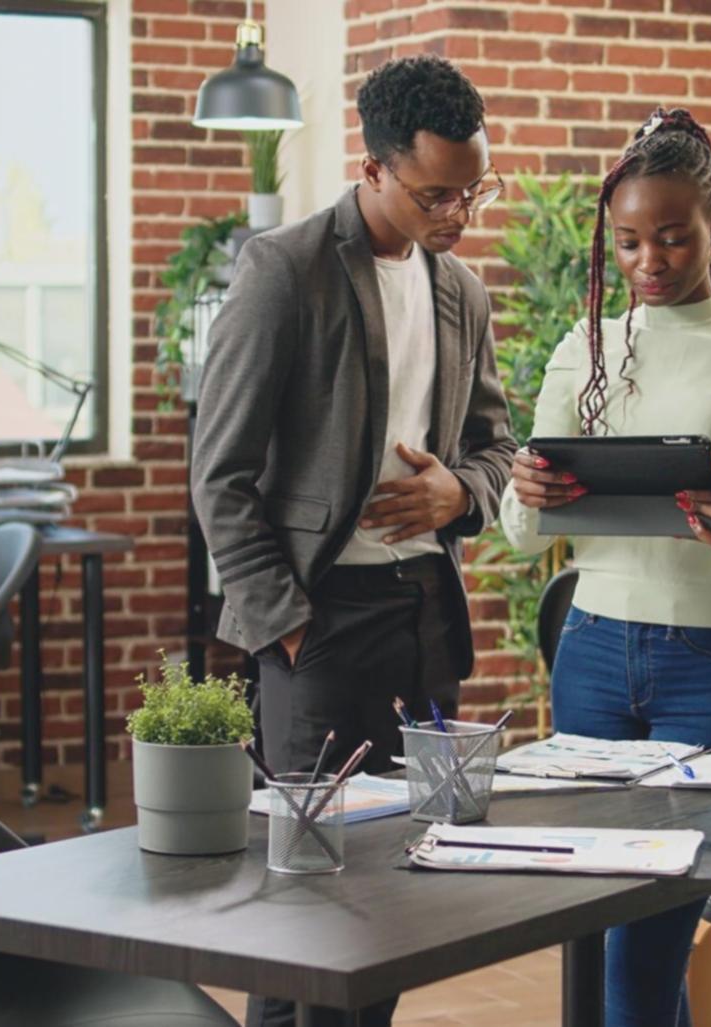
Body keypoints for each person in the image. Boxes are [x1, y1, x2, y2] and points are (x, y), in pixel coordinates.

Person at [189, 54, 516, 1027]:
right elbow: (220, 472)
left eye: (470, 190)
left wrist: (462, 491)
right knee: (305, 907)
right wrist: (286, 624)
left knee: (395, 901)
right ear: (371, 169)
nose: (457, 213)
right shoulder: (283, 269)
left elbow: (496, 445)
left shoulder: (462, 292)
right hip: (318, 622)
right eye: (434, 194)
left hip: (423, 617)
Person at [502, 107, 711, 1026]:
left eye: (672, 237)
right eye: (628, 242)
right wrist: (529, 488)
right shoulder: (583, 348)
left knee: (644, 948)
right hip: (592, 657)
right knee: (612, 924)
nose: (648, 260)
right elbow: (520, 537)